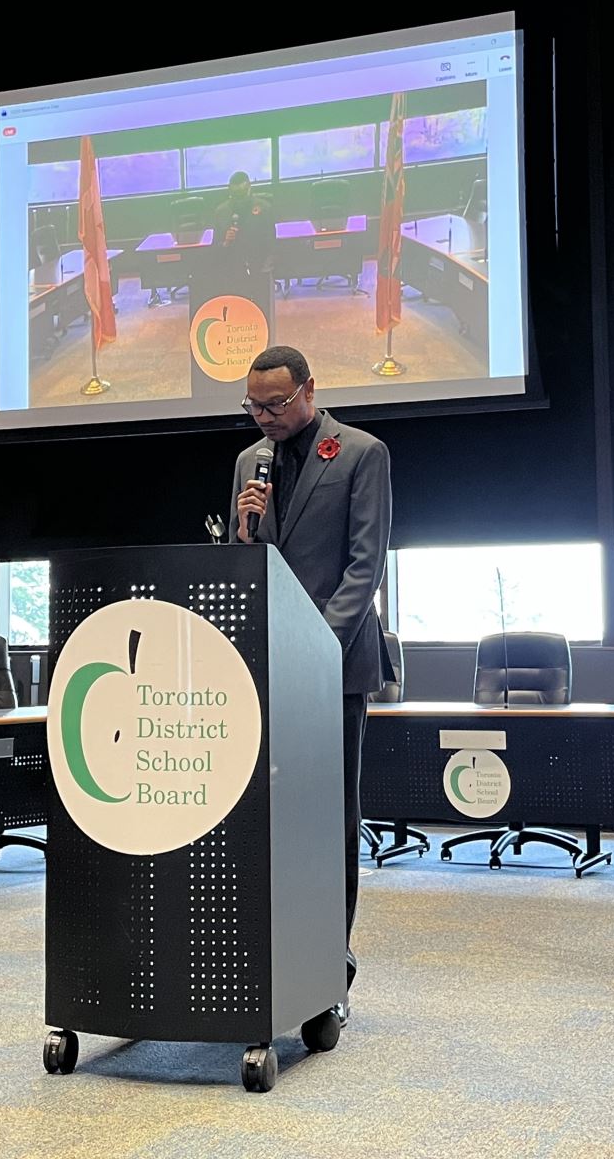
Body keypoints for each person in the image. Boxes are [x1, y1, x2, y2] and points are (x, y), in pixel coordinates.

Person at [229, 345, 392, 1021]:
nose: (264, 416)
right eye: (254, 406)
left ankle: (332, 966)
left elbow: (365, 565)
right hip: (265, 669)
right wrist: (244, 530)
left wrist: (316, 650)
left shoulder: (360, 453)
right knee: (266, 817)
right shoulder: (249, 462)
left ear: (309, 392)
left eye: (276, 404)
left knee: (330, 820)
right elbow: (241, 565)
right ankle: (272, 956)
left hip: (334, 668)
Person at [213, 171, 275, 279]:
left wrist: (267, 266)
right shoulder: (222, 212)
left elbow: (272, 243)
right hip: (231, 266)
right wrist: (226, 243)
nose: (240, 199)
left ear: (249, 188)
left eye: (242, 194)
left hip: (260, 263)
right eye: (236, 195)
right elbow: (215, 247)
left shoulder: (264, 208)